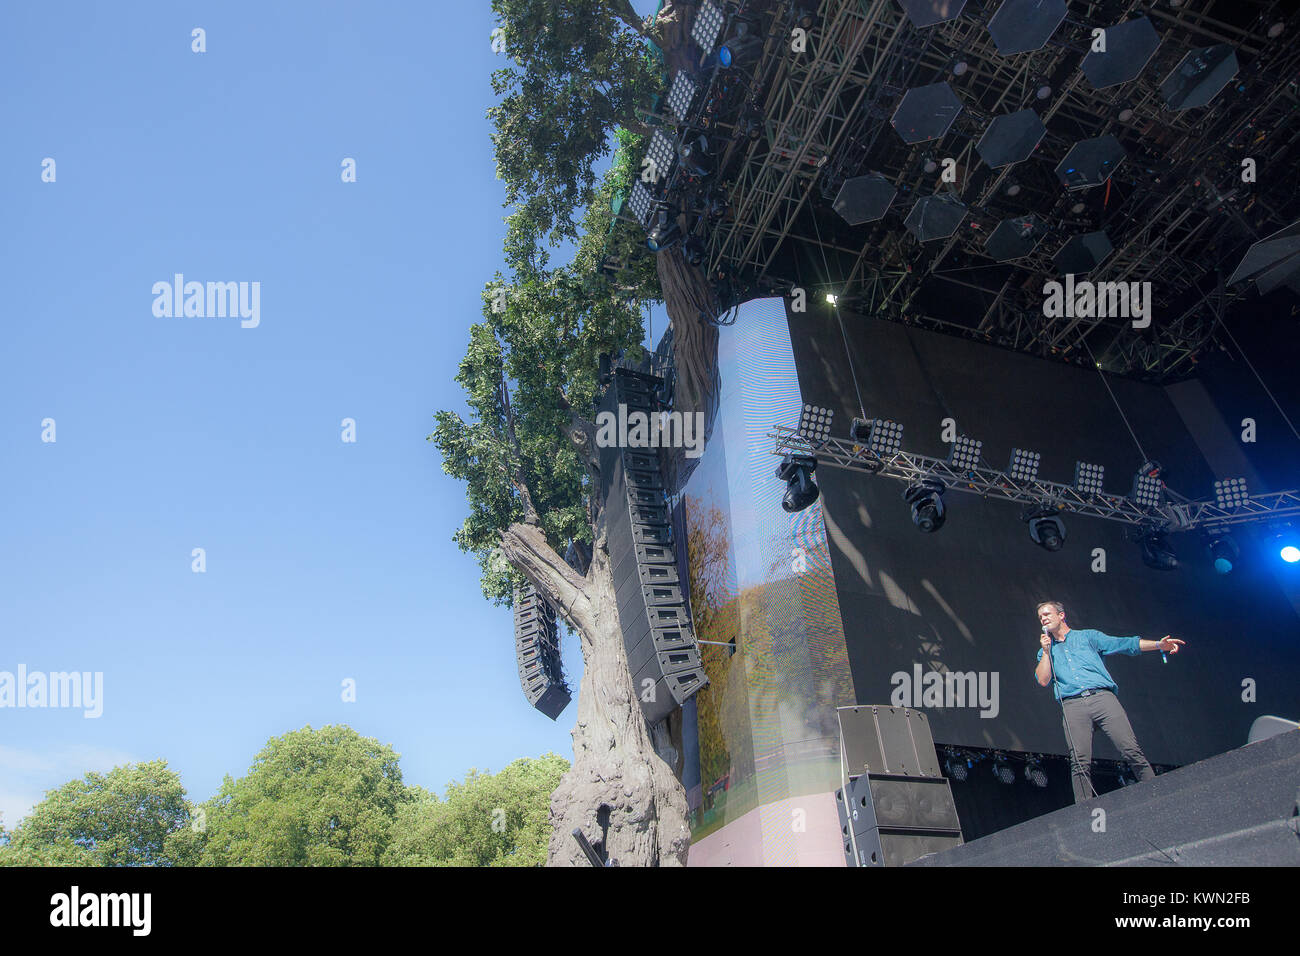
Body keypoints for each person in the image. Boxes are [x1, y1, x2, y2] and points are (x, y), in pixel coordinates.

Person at [1032, 600, 1185, 802]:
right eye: (1041, 616)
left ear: (1061, 615)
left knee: (1130, 749)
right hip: (1072, 705)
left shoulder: (1088, 637)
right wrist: (1045, 651)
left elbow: (1124, 644)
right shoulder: (1046, 650)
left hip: (1101, 697)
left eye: (1047, 614)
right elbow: (1043, 680)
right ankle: (1083, 812)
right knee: (1079, 761)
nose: (1043, 618)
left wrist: (1158, 645)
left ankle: (1156, 794)